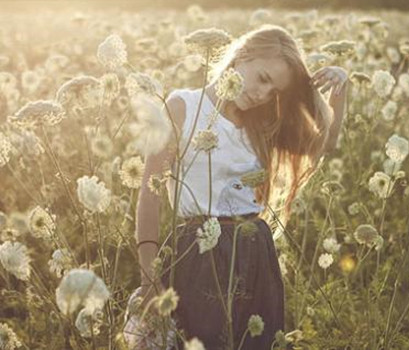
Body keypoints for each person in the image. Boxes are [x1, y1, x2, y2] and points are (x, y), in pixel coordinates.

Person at [133, 24, 348, 350]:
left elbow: (324, 142)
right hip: (198, 254)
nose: (263, 94)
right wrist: (149, 278)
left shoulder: (264, 123)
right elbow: (149, 196)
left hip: (255, 253)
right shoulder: (182, 108)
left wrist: (339, 90)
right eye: (262, 78)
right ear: (241, 56)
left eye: (274, 91)